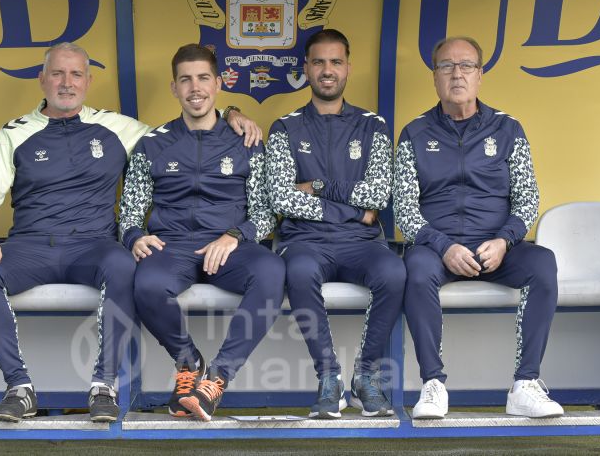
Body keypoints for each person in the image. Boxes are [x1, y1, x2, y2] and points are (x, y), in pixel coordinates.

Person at [0, 42, 261, 423]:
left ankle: (104, 386)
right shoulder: (14, 133)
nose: (66, 83)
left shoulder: (116, 127)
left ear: (88, 81)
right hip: (32, 244)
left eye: (75, 75)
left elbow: (186, 132)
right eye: (57, 73)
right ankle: (18, 388)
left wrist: (232, 113)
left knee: (124, 263)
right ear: (42, 80)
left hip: (92, 245)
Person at [393, 36, 562, 419]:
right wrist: (443, 245)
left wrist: (504, 240)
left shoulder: (508, 128)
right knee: (415, 270)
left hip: (496, 248)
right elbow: (404, 208)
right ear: (434, 77)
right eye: (446, 66)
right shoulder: (414, 133)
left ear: (480, 75)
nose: (457, 74)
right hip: (438, 250)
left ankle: (525, 384)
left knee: (543, 263)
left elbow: (528, 199)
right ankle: (433, 384)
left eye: (466, 65)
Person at [120, 44, 285, 422]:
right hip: (172, 246)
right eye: (186, 80)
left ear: (220, 83)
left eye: (204, 78)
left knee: (273, 271)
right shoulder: (153, 144)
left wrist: (235, 235)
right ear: (174, 87)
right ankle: (188, 361)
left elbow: (265, 212)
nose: (196, 88)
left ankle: (217, 377)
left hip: (229, 248)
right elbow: (129, 210)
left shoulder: (247, 142)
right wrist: (134, 237)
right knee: (144, 282)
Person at [266, 29, 406, 419]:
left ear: (348, 67)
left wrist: (320, 188)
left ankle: (366, 375)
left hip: (361, 241)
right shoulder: (284, 127)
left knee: (394, 272)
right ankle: (329, 377)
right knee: (298, 271)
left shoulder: (373, 125)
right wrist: (351, 208)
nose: (328, 70)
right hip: (305, 241)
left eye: (336, 62)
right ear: (306, 68)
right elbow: (281, 197)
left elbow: (378, 195)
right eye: (319, 62)